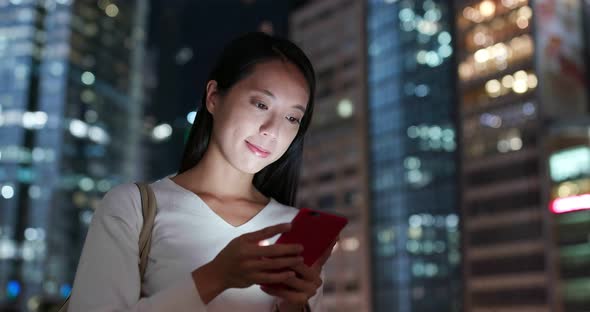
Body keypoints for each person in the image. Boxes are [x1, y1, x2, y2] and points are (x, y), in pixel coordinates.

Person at [68, 32, 334, 311]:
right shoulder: (134, 207)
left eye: (292, 118)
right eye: (260, 104)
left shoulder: (293, 231)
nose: (272, 130)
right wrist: (215, 277)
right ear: (213, 98)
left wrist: (293, 305)